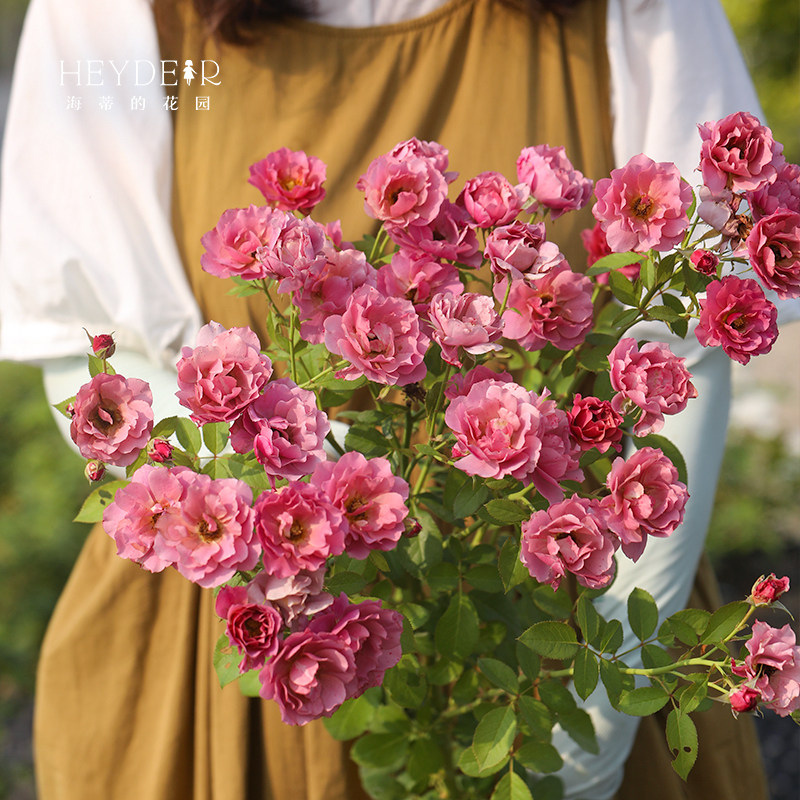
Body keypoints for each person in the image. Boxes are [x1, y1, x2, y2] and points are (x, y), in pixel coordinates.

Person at [0, 0, 783, 797]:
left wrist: (607, 692)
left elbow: (690, 339)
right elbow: (81, 327)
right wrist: (287, 503)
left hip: (568, 611)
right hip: (245, 605)